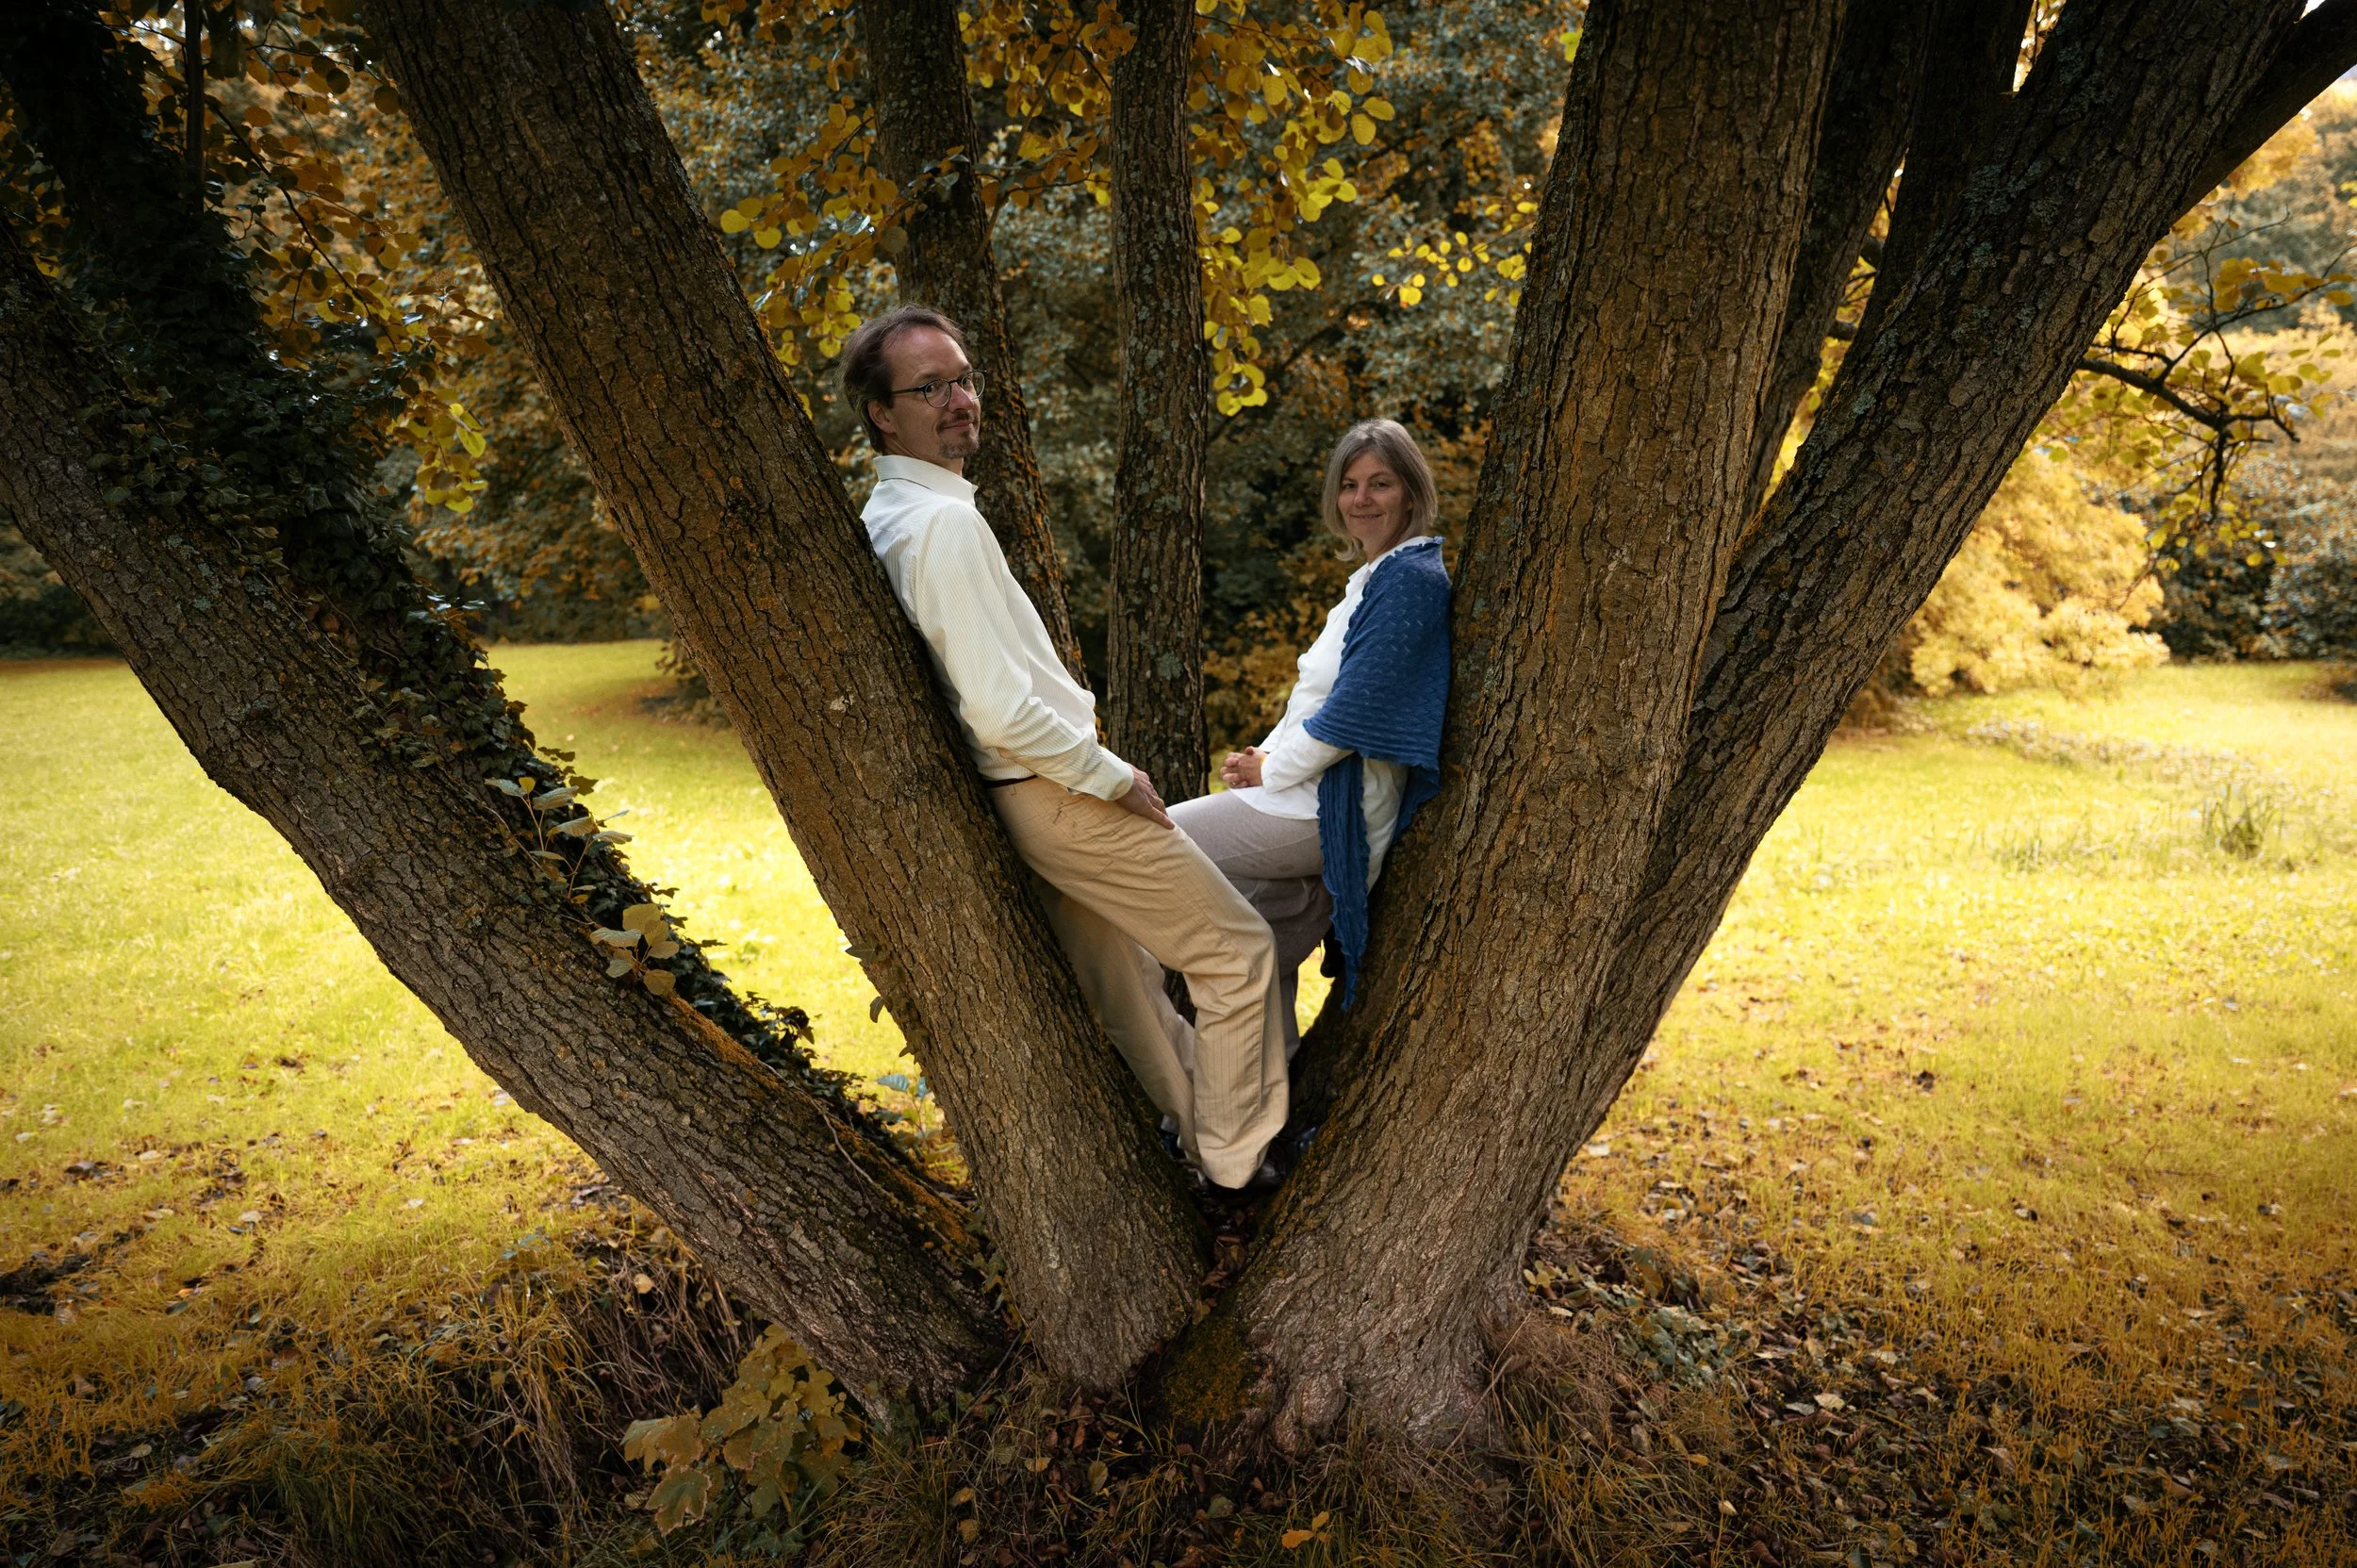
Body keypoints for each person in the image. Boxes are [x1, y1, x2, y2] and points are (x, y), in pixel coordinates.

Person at [841, 305, 1288, 1190]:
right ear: (882, 414)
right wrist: (1108, 775)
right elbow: (1001, 710)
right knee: (1237, 951)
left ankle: (1205, 1146)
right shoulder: (941, 526)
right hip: (1056, 789)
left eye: (963, 379)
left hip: (1022, 798)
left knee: (1127, 985)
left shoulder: (892, 513)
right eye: (929, 388)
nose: (959, 400)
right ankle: (1240, 1164)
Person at [1168, 419, 1452, 1052]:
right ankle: (1265, 1103)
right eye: (1350, 485)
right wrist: (1266, 754)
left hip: (1330, 807)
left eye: (1380, 483)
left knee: (1143, 842)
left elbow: (1354, 714)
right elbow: (1315, 700)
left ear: (1411, 491)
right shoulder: (1372, 580)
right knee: (1253, 953)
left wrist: (1270, 770)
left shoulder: (1411, 580)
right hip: (1305, 791)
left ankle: (1142, 1028)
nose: (1361, 498)